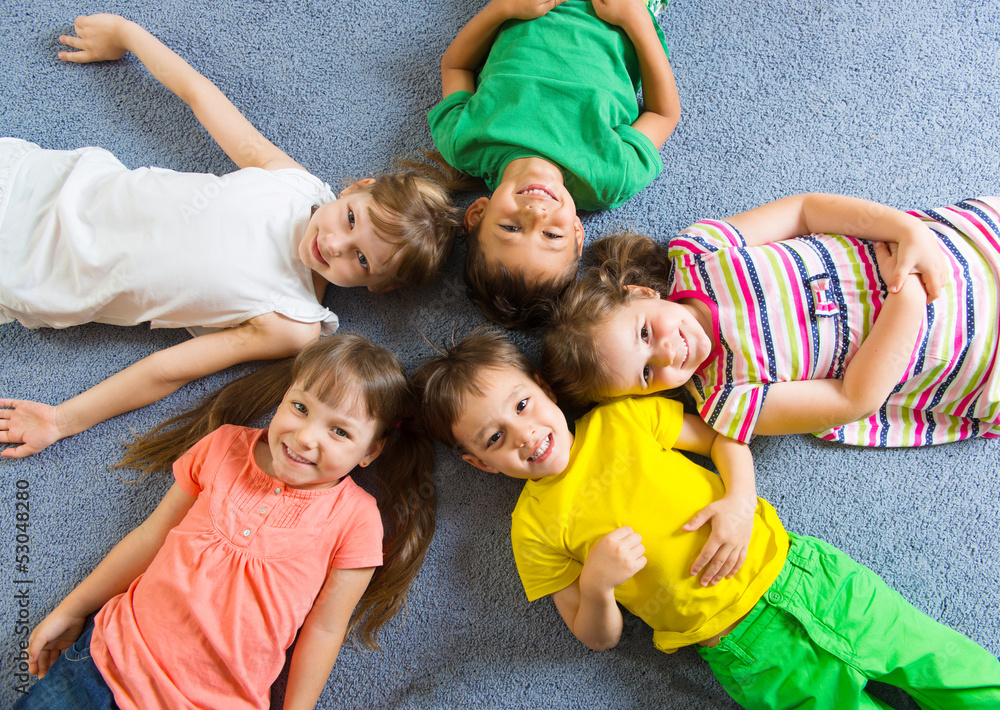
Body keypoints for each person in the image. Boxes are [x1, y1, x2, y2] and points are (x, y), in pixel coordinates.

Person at [413, 329, 1000, 709]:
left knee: (949, 667)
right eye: (496, 437)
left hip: (805, 575)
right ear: (480, 464)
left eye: (522, 406)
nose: (526, 434)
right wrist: (597, 583)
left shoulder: (621, 420)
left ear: (542, 388)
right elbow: (596, 637)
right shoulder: (532, 529)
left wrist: (740, 500)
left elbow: (724, 438)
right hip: (746, 649)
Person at [0, 13, 464, 458]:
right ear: (356, 187)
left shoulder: (293, 322)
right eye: (350, 220)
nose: (335, 246)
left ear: (379, 287)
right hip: (43, 183)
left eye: (360, 260)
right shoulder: (295, 184)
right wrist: (128, 34)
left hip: (38, 271)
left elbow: (168, 370)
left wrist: (62, 420)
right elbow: (202, 97)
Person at [14, 333, 436, 710]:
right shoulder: (223, 446)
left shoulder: (357, 518)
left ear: (370, 452)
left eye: (340, 432)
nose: (307, 437)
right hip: (105, 663)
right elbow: (150, 537)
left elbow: (325, 630)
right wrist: (72, 609)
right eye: (300, 407)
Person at [542, 193, 1000, 447]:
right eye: (646, 375)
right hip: (968, 350)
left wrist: (906, 230)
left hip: (959, 250)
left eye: (644, 332)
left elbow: (805, 211)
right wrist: (908, 299)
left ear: (640, 292)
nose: (666, 353)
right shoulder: (726, 401)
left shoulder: (701, 253)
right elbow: (852, 399)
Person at [429, 0, 681, 329]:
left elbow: (455, 67)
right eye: (551, 234)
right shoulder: (608, 177)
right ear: (577, 233)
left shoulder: (464, 142)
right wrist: (637, 21)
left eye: (510, 228)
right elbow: (663, 114)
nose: (535, 214)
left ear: (477, 215)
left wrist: (503, 9)